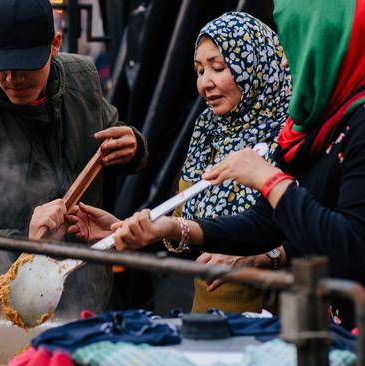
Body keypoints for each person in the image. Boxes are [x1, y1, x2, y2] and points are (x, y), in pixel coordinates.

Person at [106, 0, 365, 364]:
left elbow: (349, 248)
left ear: (327, 42)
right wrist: (173, 226)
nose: (286, 60)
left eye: (294, 42)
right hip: (321, 337)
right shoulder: (316, 123)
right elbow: (264, 223)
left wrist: (266, 178)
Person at [49, 12, 292, 314]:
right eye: (199, 71)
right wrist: (123, 229)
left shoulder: (291, 135)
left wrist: (264, 257)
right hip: (210, 316)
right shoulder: (208, 131)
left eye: (219, 67)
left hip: (278, 316)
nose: (206, 83)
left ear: (256, 64)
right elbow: (186, 223)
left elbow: (326, 232)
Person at [0, 0, 148, 314]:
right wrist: (27, 242)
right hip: (15, 308)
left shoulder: (82, 79)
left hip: (92, 292)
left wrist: (133, 146)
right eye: (0, 66)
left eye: (24, 65)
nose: (11, 79)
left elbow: (111, 134)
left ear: (55, 45)